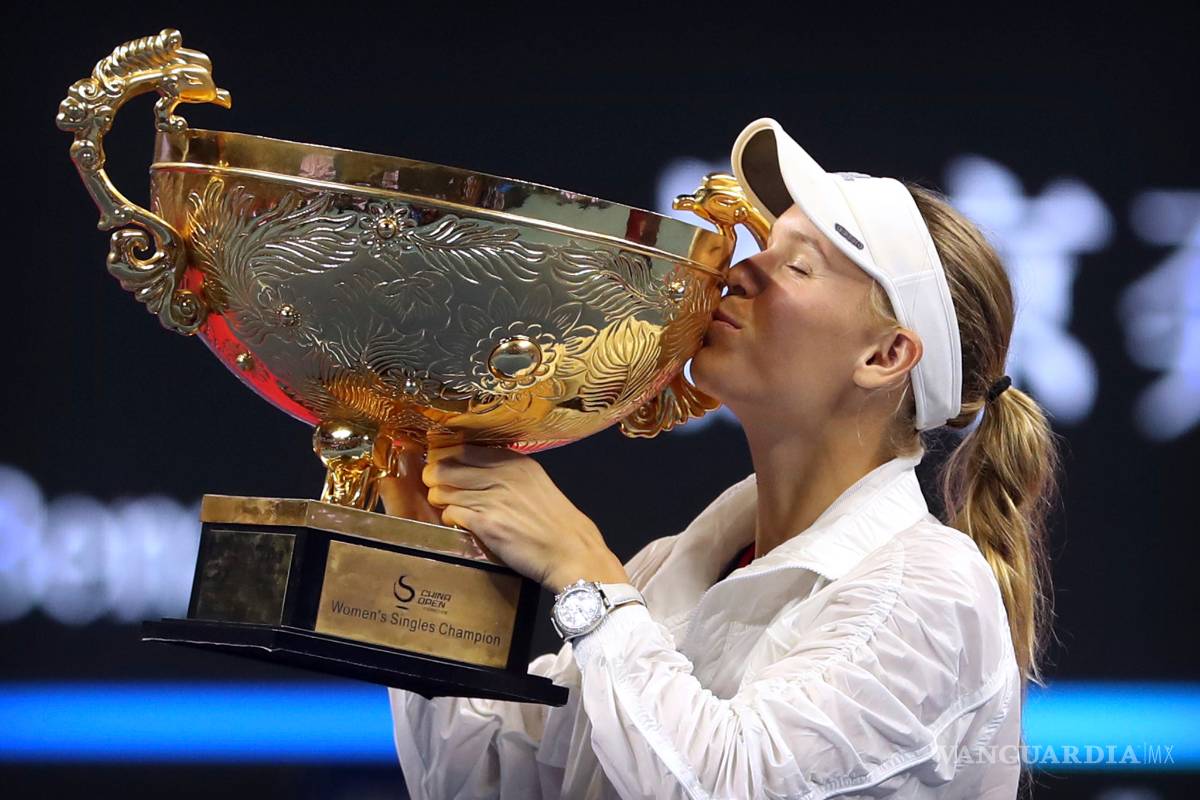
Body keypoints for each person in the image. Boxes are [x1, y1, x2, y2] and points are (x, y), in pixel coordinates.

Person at [377, 117, 1062, 799]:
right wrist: (429, 561)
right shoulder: (665, 571)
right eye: (765, 245)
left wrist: (581, 571)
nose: (740, 270)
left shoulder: (929, 591)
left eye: (797, 264)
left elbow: (735, 785)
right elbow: (484, 787)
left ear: (885, 357)